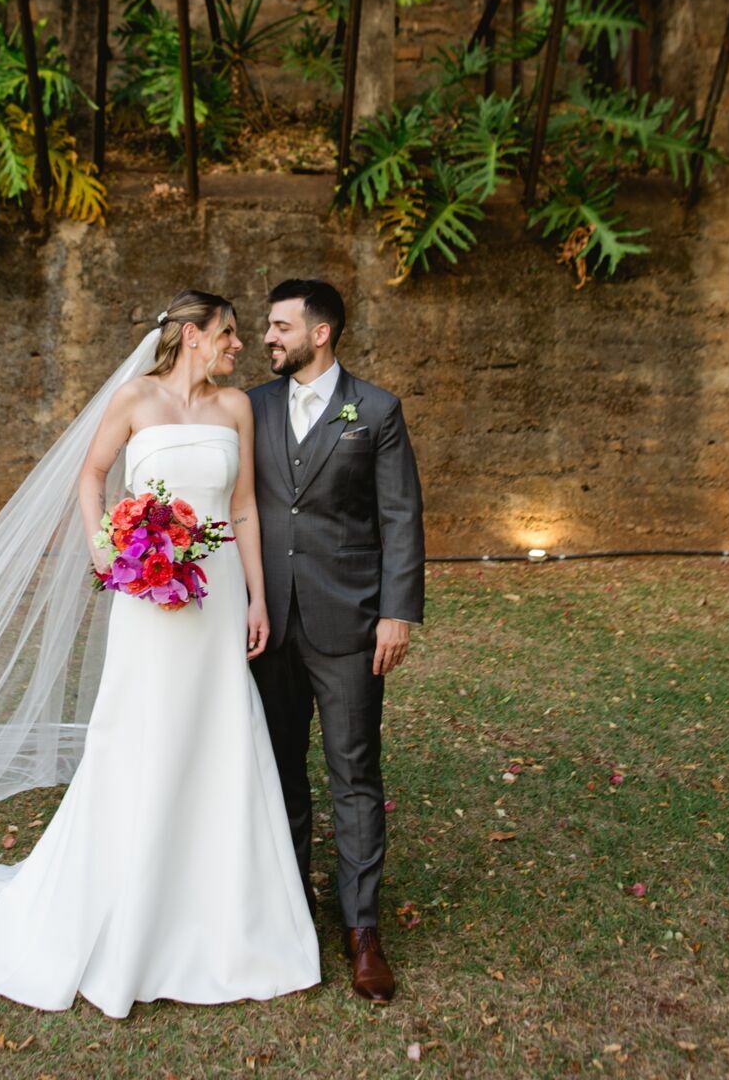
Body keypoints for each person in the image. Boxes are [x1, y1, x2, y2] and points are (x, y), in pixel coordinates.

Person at [0, 289, 320, 1016]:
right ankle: (129, 895)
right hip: (150, 595)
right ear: (193, 336)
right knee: (143, 729)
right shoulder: (133, 398)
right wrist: (111, 550)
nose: (238, 347)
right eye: (228, 334)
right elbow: (91, 474)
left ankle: (221, 909)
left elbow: (246, 507)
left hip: (218, 586)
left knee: (218, 730)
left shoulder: (235, 410)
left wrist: (257, 597)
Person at [248, 278, 425, 1004]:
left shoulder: (375, 410)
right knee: (277, 766)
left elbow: (400, 516)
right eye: (265, 326)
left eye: (280, 327)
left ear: (320, 333)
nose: (267, 338)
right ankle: (289, 911)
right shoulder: (249, 407)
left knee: (353, 773)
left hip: (349, 620)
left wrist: (396, 612)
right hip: (265, 624)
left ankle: (360, 930)